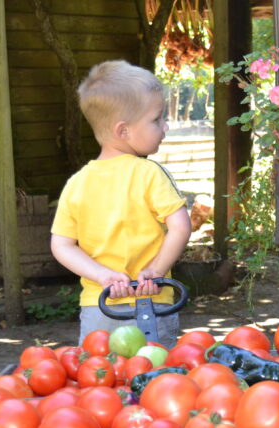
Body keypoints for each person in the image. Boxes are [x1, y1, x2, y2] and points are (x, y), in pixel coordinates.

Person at [51, 60, 191, 347]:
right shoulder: (149, 173)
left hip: (100, 306)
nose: (165, 126)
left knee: (101, 381)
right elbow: (181, 227)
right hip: (151, 301)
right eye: (156, 119)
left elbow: (61, 245)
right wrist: (156, 271)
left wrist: (102, 276)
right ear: (123, 131)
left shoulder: (77, 183)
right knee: (155, 380)